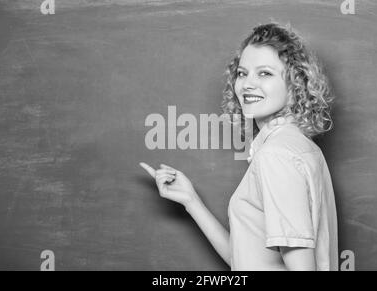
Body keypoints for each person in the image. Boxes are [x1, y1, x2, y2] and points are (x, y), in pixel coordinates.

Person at [139, 22, 338, 271]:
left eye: (264, 73)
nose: (247, 84)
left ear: (295, 85)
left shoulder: (276, 156)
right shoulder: (299, 147)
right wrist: (191, 201)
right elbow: (243, 261)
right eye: (242, 73)